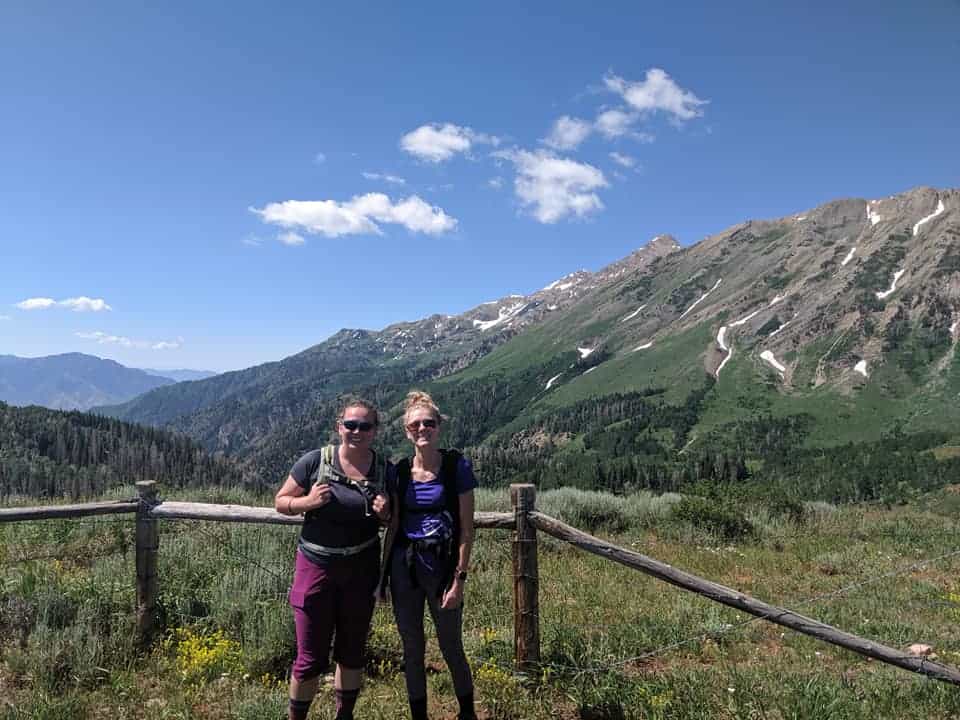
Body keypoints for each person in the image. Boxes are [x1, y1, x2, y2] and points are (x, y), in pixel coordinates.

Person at [275, 398, 390, 720]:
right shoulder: (315, 461)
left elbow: (395, 520)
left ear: (375, 431)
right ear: (339, 427)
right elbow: (281, 501)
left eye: (364, 426)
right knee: (309, 657)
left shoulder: (384, 469)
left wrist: (387, 513)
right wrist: (307, 502)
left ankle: (345, 716)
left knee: (352, 653)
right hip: (316, 567)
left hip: (361, 570)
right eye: (350, 425)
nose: (357, 431)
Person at [380, 390, 478, 720]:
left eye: (428, 423)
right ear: (407, 432)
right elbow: (392, 524)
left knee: (451, 645)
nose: (422, 429)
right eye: (415, 425)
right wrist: (383, 577)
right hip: (404, 569)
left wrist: (459, 579)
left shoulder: (455, 467)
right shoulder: (400, 471)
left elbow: (466, 529)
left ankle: (467, 712)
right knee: (412, 649)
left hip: (443, 567)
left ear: (439, 427)